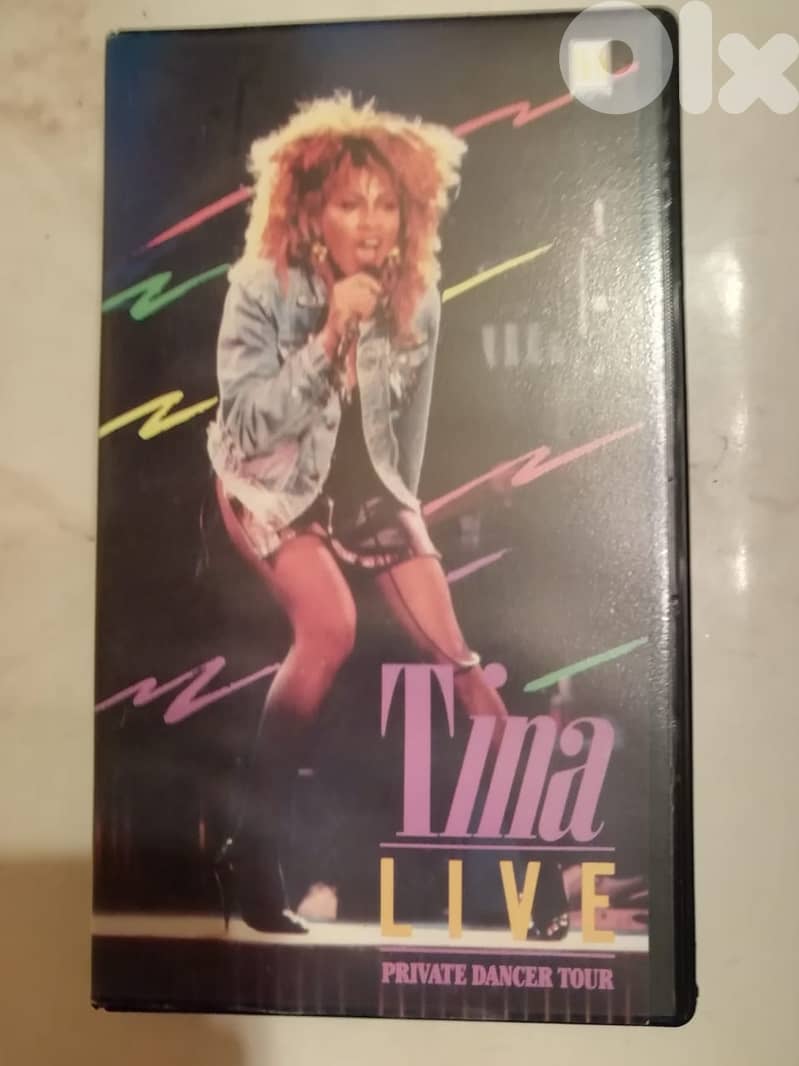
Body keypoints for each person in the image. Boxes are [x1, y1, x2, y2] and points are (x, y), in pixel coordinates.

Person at [208, 94, 564, 937]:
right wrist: (329, 335)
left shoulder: (418, 298)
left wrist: (406, 534)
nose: (370, 223)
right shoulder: (260, 286)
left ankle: (543, 889)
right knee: (328, 626)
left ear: (410, 213)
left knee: (465, 668)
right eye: (348, 203)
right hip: (269, 482)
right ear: (310, 211)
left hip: (365, 491)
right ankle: (248, 853)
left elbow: (406, 446)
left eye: (385, 204)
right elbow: (247, 426)